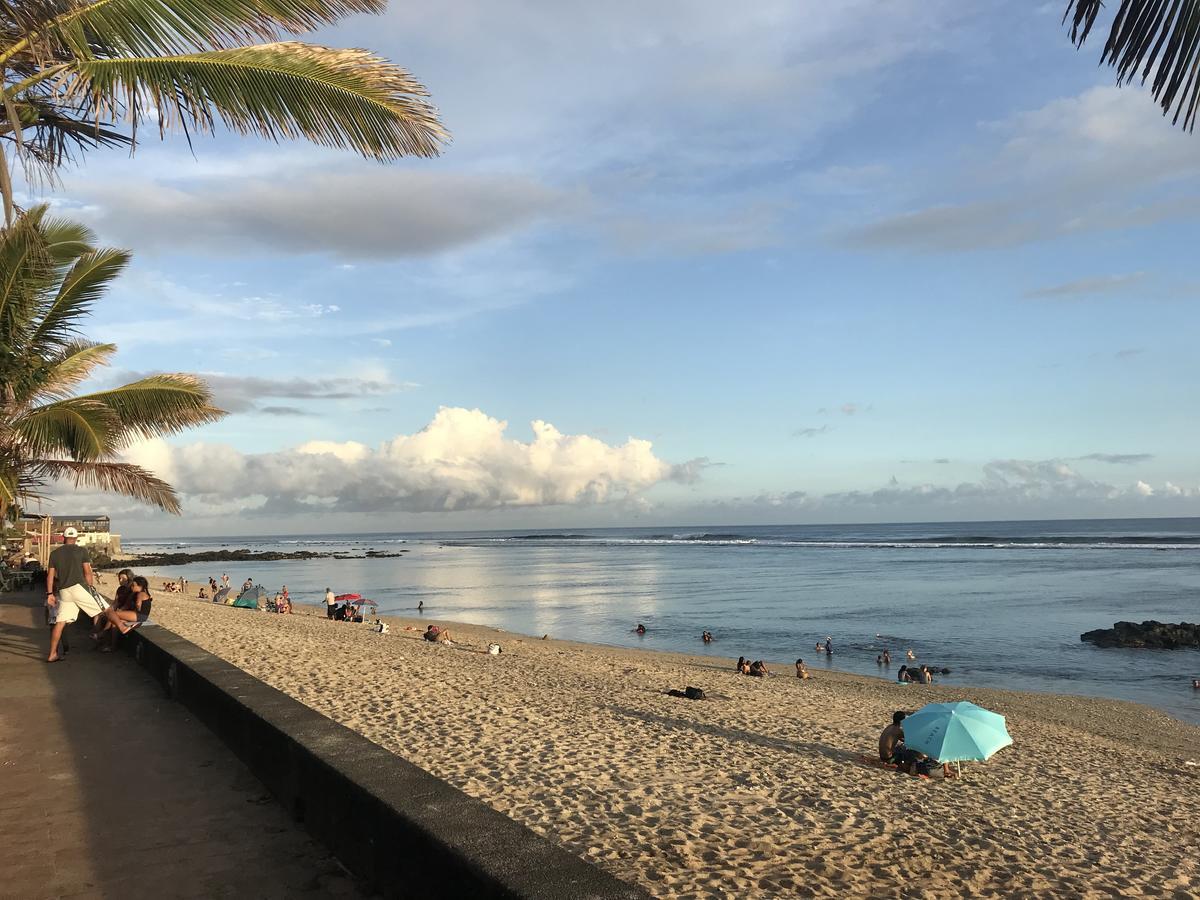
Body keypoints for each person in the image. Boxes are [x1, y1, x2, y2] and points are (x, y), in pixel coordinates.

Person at [45, 527, 101, 662]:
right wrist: (91, 588)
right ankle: (98, 635)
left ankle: (52, 653)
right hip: (79, 587)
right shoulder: (81, 551)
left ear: (63, 538)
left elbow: (50, 576)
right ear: (76, 539)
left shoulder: (55, 553)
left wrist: (50, 594)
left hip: (64, 591)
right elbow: (87, 572)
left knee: (60, 622)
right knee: (102, 610)